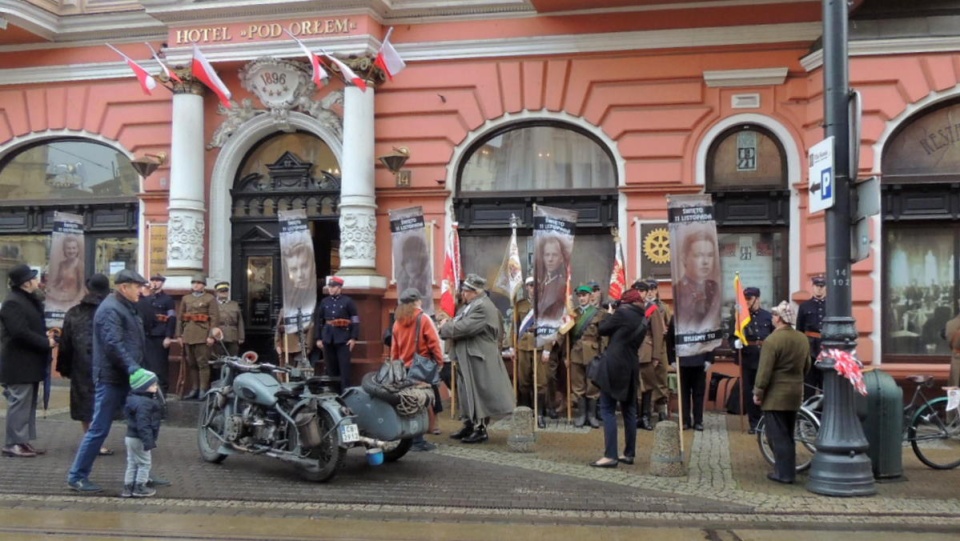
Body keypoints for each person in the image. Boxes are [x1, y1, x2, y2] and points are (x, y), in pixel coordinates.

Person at [67, 269, 150, 493]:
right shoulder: (110, 309)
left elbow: (133, 341)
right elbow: (113, 344)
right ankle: (77, 476)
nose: (141, 291)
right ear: (124, 288)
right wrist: (133, 368)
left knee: (139, 424)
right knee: (99, 428)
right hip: (112, 378)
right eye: (137, 286)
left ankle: (142, 474)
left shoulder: (125, 306)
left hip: (127, 377)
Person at [438, 274, 515, 444]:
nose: (463, 294)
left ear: (475, 291)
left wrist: (445, 327)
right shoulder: (472, 305)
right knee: (467, 393)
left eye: (466, 291)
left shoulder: (482, 307)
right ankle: (469, 424)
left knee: (479, 394)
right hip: (469, 357)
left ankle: (480, 429)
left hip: (479, 358)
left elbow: (463, 327)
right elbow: (458, 323)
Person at [589, 287, 651, 468]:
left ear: (626, 302)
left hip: (614, 366)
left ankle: (610, 456)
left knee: (607, 409)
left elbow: (603, 329)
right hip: (631, 366)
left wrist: (609, 314)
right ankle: (629, 453)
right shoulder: (643, 317)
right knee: (629, 410)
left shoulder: (623, 313)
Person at [753, 301, 810, 484]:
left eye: (774, 315)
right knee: (788, 434)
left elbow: (764, 371)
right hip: (795, 393)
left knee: (777, 436)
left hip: (775, 395)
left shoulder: (772, 340)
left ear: (779, 318)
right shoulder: (802, 338)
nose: (772, 318)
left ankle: (783, 474)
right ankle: (788, 470)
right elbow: (807, 366)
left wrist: (758, 391)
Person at [1, 264, 54, 458]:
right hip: (18, 363)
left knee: (28, 405)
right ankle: (13, 443)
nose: (37, 281)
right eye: (33, 278)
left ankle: (23, 441)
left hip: (30, 362)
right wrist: (44, 342)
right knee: (19, 403)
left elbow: (30, 328)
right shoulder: (13, 303)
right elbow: (19, 332)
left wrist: (44, 335)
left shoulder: (27, 300)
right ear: (25, 283)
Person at [58, 273, 113, 456]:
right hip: (107, 364)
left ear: (88, 289)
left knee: (85, 403)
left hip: (80, 364)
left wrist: (64, 367)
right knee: (103, 402)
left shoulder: (74, 312)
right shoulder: (111, 309)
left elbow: (65, 343)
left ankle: (90, 437)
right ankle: (97, 441)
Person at [390, 288, 444, 451]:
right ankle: (418, 441)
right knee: (421, 402)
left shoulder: (397, 321)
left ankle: (409, 438)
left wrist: (395, 366)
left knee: (408, 403)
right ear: (417, 301)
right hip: (421, 368)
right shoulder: (423, 318)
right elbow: (434, 343)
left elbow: (394, 349)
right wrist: (439, 362)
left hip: (404, 369)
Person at [562, 284, 606, 428]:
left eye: (584, 295)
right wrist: (565, 356)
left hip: (593, 354)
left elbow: (603, 337)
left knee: (592, 385)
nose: (582, 298)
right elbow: (566, 337)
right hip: (575, 353)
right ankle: (581, 415)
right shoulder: (572, 314)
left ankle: (591, 415)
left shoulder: (598, 314)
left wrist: (603, 355)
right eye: (579, 296)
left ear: (590, 296)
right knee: (578, 385)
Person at [175, 274, 220, 400]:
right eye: (194, 282)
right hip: (188, 334)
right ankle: (194, 388)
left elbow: (215, 318)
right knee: (192, 363)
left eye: (199, 283)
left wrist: (211, 336)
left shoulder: (210, 298)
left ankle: (203, 389)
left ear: (204, 285)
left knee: (203, 364)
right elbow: (180, 317)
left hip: (203, 334)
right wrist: (179, 335)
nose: (196, 285)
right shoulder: (186, 298)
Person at [737, 286, 775, 434]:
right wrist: (736, 343)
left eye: (750, 299)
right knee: (749, 391)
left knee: (766, 390)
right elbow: (734, 335)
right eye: (745, 300)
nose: (747, 303)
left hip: (765, 358)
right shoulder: (740, 317)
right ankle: (754, 424)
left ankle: (766, 421)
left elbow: (774, 336)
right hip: (748, 358)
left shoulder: (767, 316)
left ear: (757, 299)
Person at [121, 369, 163, 498]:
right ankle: (140, 486)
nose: (156, 387)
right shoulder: (144, 403)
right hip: (139, 438)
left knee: (132, 462)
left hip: (130, 436)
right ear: (143, 387)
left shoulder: (132, 399)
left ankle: (128, 487)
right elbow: (143, 424)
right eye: (153, 385)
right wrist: (148, 441)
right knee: (145, 463)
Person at [316, 276, 359, 391]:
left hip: (343, 338)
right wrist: (319, 338)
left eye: (333, 286)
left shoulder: (347, 301)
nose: (330, 289)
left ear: (339, 287)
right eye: (329, 286)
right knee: (331, 368)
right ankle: (334, 393)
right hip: (328, 337)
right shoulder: (325, 302)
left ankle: (345, 393)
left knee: (344, 369)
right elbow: (319, 321)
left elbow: (355, 319)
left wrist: (353, 337)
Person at [136, 274, 176, 394]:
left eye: (158, 281)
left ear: (162, 283)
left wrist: (168, 336)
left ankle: (162, 390)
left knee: (160, 365)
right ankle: (148, 389)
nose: (155, 283)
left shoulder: (167, 300)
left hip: (160, 335)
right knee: (147, 364)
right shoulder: (145, 299)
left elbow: (172, 318)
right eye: (153, 280)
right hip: (147, 335)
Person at [674, 228, 720, 331]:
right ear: (684, 258)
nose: (705, 261)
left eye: (710, 255)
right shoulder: (679, 290)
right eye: (698, 255)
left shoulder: (713, 287)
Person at [637, 281, 665, 431]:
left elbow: (658, 334)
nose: (641, 294)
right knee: (635, 386)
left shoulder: (652, 309)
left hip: (647, 353)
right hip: (633, 352)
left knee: (647, 386)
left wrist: (656, 357)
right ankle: (636, 416)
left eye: (643, 291)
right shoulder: (632, 308)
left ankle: (646, 416)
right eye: (638, 291)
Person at [644, 278, 672, 422]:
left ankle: (661, 409)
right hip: (645, 349)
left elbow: (670, 326)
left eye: (652, 289)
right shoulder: (641, 307)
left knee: (661, 379)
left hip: (661, 349)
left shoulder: (664, 307)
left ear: (656, 290)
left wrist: (666, 331)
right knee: (646, 379)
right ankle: (646, 410)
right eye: (647, 289)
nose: (649, 292)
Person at [795, 275, 826, 399]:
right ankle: (809, 415)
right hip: (810, 349)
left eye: (822, 286)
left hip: (826, 348)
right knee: (809, 384)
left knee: (825, 385)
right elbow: (799, 330)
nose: (819, 289)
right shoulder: (804, 306)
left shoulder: (832, 306)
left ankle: (824, 416)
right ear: (812, 287)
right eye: (817, 286)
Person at [535, 234, 570, 323]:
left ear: (561, 258)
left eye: (554, 255)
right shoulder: (541, 282)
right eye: (547, 255)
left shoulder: (562, 284)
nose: (550, 259)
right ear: (543, 257)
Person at [677, 349, 713, 431]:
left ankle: (698, 421)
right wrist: (672, 359)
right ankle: (685, 421)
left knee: (699, 393)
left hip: (700, 360)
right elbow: (671, 340)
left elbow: (711, 340)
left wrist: (709, 359)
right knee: (683, 393)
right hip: (682, 361)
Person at [47, 235, 85, 305]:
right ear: (64, 250)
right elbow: (57, 282)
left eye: (74, 248)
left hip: (74, 301)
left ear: (77, 250)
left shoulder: (80, 265)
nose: (71, 251)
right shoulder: (62, 264)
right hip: (61, 298)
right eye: (68, 248)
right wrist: (48, 287)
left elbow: (82, 287)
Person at [396, 235, 432, 305]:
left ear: (422, 261)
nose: (411, 265)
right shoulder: (402, 283)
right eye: (408, 260)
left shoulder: (426, 286)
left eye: (415, 260)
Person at [283, 241, 316, 315]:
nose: (300, 275)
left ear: (313, 266)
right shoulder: (287, 298)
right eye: (294, 269)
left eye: (304, 267)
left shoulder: (319, 295)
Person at [214, 281, 245, 358]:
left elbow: (240, 321)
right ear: (217, 293)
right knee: (219, 359)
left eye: (226, 291)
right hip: (218, 335)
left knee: (233, 358)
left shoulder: (234, 304)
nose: (224, 293)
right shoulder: (213, 305)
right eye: (221, 291)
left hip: (233, 335)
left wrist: (241, 337)